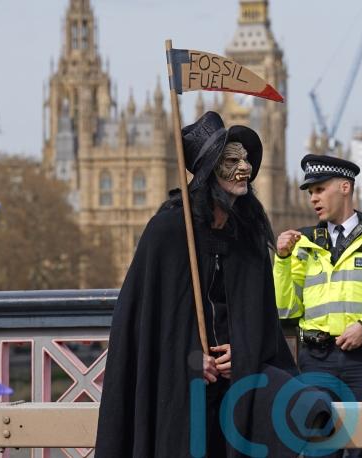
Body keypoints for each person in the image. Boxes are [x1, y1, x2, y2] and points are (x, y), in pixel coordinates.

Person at [95, 112, 331, 457]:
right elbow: (142, 329)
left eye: (246, 159)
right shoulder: (169, 232)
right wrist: (190, 358)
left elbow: (262, 321)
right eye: (232, 160)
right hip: (181, 390)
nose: (245, 168)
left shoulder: (247, 235)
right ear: (208, 172)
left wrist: (244, 351)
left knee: (305, 408)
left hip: (239, 383)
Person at [274, 154, 362, 458]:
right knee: (316, 447)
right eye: (310, 192)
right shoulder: (305, 242)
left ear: (345, 187)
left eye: (320, 189)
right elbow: (286, 309)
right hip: (315, 359)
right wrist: (282, 261)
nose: (313, 198)